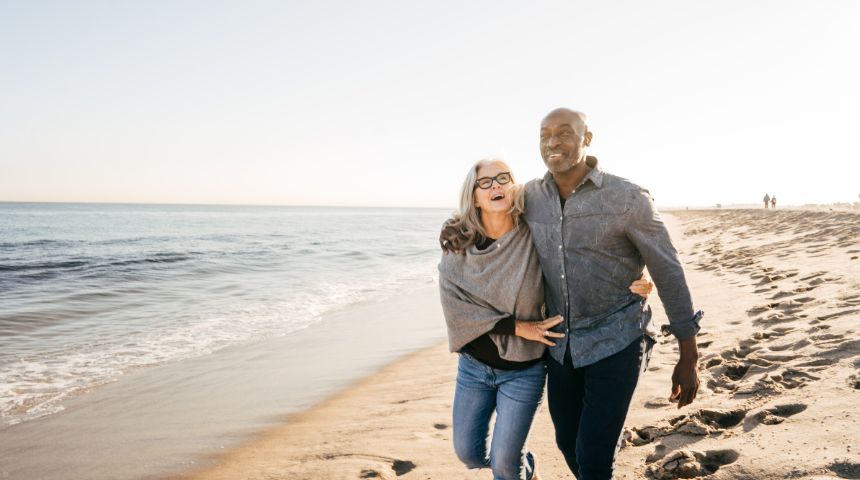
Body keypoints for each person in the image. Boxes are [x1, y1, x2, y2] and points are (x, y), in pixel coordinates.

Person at [441, 108, 702, 480]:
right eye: (544, 134)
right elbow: (486, 210)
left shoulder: (626, 198)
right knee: (568, 443)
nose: (553, 142)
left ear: (587, 139)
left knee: (594, 458)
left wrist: (688, 354)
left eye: (564, 133)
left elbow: (668, 270)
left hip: (618, 338)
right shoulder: (529, 197)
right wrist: (453, 225)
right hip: (561, 347)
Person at [438, 158, 653, 480]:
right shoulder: (459, 240)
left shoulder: (536, 233)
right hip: (474, 367)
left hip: (525, 370)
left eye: (503, 178)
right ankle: (527, 465)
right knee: (468, 454)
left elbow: (583, 258)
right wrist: (516, 327)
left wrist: (631, 278)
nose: (495, 185)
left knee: (504, 467)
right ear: (473, 195)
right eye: (485, 182)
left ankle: (516, 465)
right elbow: (455, 305)